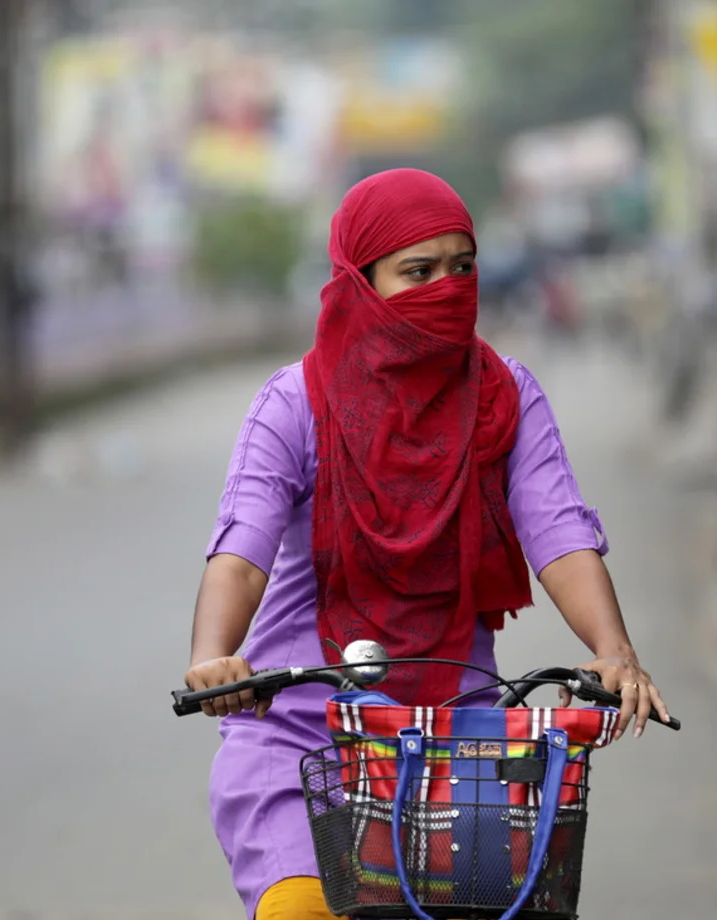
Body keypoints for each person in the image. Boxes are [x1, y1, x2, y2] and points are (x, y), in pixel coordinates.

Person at [183, 168, 671, 920]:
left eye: (462, 268)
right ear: (362, 282)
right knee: (301, 912)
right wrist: (214, 656)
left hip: (458, 748)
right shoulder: (295, 403)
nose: (447, 288)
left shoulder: (505, 396)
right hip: (299, 746)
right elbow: (242, 552)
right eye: (417, 272)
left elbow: (558, 531)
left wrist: (615, 651)